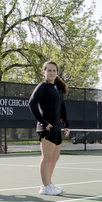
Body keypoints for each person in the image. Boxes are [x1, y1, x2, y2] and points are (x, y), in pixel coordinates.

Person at [28, 61, 70, 195]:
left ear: (57, 72)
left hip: (56, 128)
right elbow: (32, 103)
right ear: (44, 72)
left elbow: (62, 108)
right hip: (46, 128)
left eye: (54, 70)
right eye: (49, 70)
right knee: (46, 157)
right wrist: (43, 122)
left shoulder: (57, 89)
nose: (52, 73)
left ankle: (49, 183)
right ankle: (44, 186)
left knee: (55, 157)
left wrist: (66, 125)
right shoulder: (43, 86)